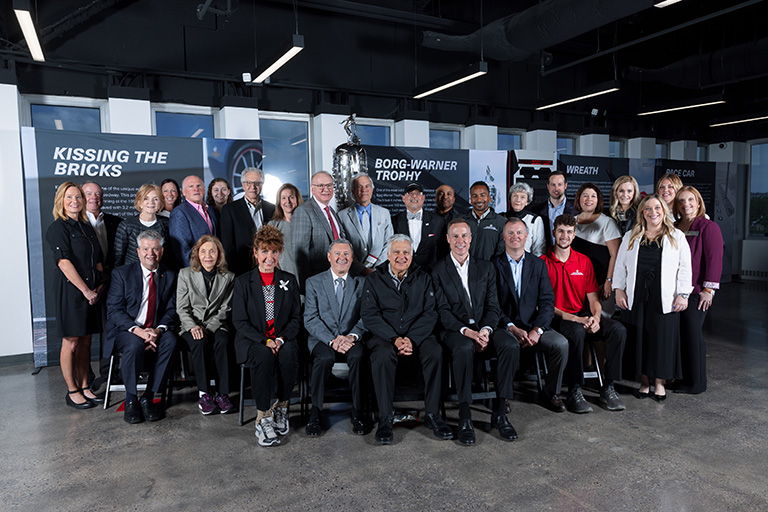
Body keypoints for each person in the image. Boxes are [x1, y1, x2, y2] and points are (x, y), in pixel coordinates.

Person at [431, 218, 520, 444]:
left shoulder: (486, 267)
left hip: (484, 326)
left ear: (471, 239)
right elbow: (442, 312)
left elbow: (493, 306)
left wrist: (486, 330)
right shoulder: (437, 270)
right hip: (455, 330)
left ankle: (500, 413)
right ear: (448, 239)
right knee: (463, 349)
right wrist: (468, 332)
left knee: (510, 344)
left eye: (464, 236)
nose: (460, 240)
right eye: (455, 236)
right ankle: (465, 415)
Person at [361, 234, 452, 445]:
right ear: (388, 255)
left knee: (435, 352)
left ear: (412, 255)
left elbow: (430, 313)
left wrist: (411, 339)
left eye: (406, 252)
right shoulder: (374, 279)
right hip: (385, 337)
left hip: (417, 335)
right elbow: (370, 315)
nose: (401, 256)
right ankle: (385, 418)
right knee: (382, 355)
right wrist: (394, 338)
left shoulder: (424, 277)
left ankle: (433, 414)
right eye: (397, 252)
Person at [542, 214, 627, 413]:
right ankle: (574, 389)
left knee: (618, 330)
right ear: (554, 232)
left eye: (569, 232)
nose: (564, 236)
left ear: (574, 235)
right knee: (577, 331)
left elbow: (593, 299)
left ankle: (608, 386)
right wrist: (576, 319)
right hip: (558, 318)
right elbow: (544, 305)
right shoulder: (542, 263)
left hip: (583, 315)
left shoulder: (584, 261)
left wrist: (596, 318)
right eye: (561, 231)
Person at [613, 195, 692, 401]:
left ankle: (659, 383)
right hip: (636, 295)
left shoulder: (676, 236)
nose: (653, 212)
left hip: (665, 297)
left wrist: (683, 294)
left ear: (664, 211)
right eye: (648, 209)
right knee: (639, 338)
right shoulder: (631, 235)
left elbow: (685, 267)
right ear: (642, 213)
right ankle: (644, 382)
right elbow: (620, 265)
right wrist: (618, 289)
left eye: (657, 208)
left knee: (661, 340)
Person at [232, 225, 301, 447]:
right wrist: (265, 340)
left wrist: (280, 339)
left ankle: (281, 406)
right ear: (255, 253)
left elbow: (295, 318)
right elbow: (239, 321)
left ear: (279, 253)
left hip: (282, 338)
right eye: (264, 251)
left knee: (289, 354)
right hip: (254, 340)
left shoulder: (289, 280)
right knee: (263, 356)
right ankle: (263, 416)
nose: (269, 257)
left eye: (274, 252)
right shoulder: (243, 282)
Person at [492, 217, 569, 413]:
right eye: (510, 233)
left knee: (561, 344)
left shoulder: (538, 264)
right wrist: (510, 327)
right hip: (505, 326)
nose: (515, 236)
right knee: (508, 345)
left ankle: (551, 393)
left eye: (519, 232)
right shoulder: (493, 265)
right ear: (503, 237)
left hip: (533, 325)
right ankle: (504, 396)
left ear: (526, 236)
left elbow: (547, 301)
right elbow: (491, 304)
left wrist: (538, 329)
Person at [105, 230, 178, 423]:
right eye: (145, 249)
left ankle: (148, 396)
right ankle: (131, 399)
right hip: (127, 329)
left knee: (171, 341)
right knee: (134, 344)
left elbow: (172, 309)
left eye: (155, 249)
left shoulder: (170, 274)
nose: (150, 253)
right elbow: (114, 310)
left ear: (162, 251)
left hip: (154, 329)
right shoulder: (122, 274)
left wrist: (157, 331)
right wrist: (138, 331)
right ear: (138, 252)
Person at [45, 182, 105, 409]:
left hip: (92, 291)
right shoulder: (57, 228)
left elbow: (96, 260)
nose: (74, 201)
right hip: (71, 291)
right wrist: (86, 291)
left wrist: (99, 285)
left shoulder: (86, 227)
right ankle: (72, 391)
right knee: (71, 342)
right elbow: (64, 263)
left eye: (78, 197)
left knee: (86, 340)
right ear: (61, 200)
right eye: (69, 197)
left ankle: (85, 386)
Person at [304, 239, 369, 437]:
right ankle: (315, 412)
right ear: (329, 257)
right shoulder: (314, 282)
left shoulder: (362, 283)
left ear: (352, 258)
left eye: (346, 254)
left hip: (351, 338)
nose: (342, 258)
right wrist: (332, 340)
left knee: (358, 357)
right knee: (324, 358)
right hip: (323, 338)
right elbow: (310, 318)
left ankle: (358, 412)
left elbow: (367, 316)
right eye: (337, 254)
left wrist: (351, 337)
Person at [177, 235, 236, 415]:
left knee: (223, 341)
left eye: (212, 251)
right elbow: (182, 308)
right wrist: (193, 327)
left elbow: (225, 309)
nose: (208, 255)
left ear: (219, 254)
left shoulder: (229, 277)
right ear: (197, 254)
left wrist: (208, 328)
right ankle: (204, 394)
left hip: (217, 324)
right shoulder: (185, 274)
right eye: (203, 251)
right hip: (190, 325)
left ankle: (223, 394)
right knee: (200, 342)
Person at [674, 186, 723, 394]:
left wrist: (708, 290)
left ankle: (696, 383)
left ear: (698, 202)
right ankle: (682, 378)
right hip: (677, 291)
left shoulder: (708, 227)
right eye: (682, 201)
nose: (686, 204)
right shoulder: (675, 226)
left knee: (693, 335)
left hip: (697, 292)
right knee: (681, 336)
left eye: (690, 200)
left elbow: (714, 259)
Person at [292, 171, 346, 291]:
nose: (326, 189)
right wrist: (308, 288)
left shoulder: (331, 211)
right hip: (317, 282)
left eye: (329, 185)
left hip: (336, 278)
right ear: (312, 189)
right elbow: (300, 255)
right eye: (321, 186)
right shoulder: (303, 211)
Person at [220, 168, 276, 276]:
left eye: (257, 183)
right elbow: (228, 245)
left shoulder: (272, 209)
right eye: (248, 183)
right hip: (241, 269)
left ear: (262, 184)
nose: (253, 187)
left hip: (268, 266)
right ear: (243, 185)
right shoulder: (230, 209)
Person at [571, 183, 621, 300]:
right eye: (585, 195)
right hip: (574, 283)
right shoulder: (572, 221)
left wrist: (609, 281)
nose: (589, 199)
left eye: (593, 196)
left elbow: (615, 255)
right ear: (579, 199)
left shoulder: (607, 223)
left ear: (598, 200)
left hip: (599, 283)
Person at [337, 173, 393, 274]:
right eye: (359, 187)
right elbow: (344, 247)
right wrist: (362, 269)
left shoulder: (384, 213)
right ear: (353, 191)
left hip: (379, 272)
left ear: (372, 190)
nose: (364, 190)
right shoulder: (342, 216)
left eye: (367, 186)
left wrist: (376, 269)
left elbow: (389, 243)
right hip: (354, 273)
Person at [113, 184, 170, 267]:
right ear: (139, 202)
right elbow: (118, 256)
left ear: (160, 203)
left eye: (155, 199)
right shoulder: (126, 225)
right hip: (131, 271)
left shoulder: (167, 224)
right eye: (146, 199)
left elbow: (170, 254)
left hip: (159, 271)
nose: (151, 202)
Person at [391, 183, 445, 271]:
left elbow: (443, 250)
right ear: (403, 198)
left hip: (431, 273)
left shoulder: (438, 221)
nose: (414, 196)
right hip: (403, 272)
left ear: (423, 198)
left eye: (417, 193)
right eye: (410, 193)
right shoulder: (394, 221)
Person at [169, 175, 220, 267]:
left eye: (199, 186)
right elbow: (183, 249)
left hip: (214, 266)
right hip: (195, 269)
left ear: (204, 190)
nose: (196, 189)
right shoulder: (179, 212)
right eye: (191, 186)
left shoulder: (212, 210)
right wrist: (196, 270)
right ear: (183, 192)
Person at [82, 181, 122, 274]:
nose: (94, 197)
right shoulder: (75, 223)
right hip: (85, 277)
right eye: (88, 194)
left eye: (97, 194)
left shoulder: (117, 222)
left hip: (112, 276)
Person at [532, 170, 576, 248]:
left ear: (565, 186)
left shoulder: (576, 210)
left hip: (569, 253)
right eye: (553, 185)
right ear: (548, 186)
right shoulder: (536, 210)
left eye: (560, 184)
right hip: (545, 253)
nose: (556, 188)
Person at [464, 181, 506, 261]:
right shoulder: (461, 222)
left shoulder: (501, 222)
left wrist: (489, 267)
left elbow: (501, 252)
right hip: (464, 268)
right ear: (471, 200)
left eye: (483, 195)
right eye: (474, 196)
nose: (479, 199)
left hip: (490, 268)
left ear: (489, 198)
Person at [267, 183, 303, 277]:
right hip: (283, 275)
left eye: (291, 197)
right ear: (279, 202)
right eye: (283, 198)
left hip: (306, 274)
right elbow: (268, 253)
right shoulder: (273, 226)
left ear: (297, 199)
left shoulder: (306, 223)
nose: (288, 201)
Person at [506, 182, 546, 256]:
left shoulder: (534, 220)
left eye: (522, 197)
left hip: (527, 261)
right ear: (510, 199)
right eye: (515, 196)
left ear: (527, 201)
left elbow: (539, 249)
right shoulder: (501, 218)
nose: (518, 200)